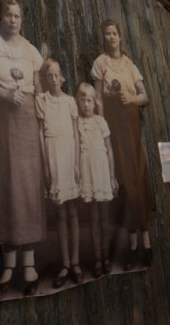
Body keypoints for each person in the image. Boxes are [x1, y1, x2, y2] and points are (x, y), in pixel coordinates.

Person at [0, 0, 46, 297]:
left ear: (22, 19)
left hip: (27, 120)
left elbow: (39, 87)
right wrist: (4, 95)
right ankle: (7, 265)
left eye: (18, 16)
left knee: (28, 186)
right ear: (1, 18)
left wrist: (43, 113)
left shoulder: (30, 50)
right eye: (8, 15)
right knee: (5, 186)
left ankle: (28, 265)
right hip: (1, 119)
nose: (13, 20)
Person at [91, 19, 154, 270]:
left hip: (130, 121)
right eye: (107, 33)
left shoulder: (129, 65)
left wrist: (131, 98)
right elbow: (96, 96)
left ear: (120, 37)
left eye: (115, 33)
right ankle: (131, 244)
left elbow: (145, 95)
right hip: (112, 122)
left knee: (138, 178)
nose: (111, 37)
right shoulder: (100, 63)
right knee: (124, 180)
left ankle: (145, 241)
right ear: (104, 38)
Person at [35, 58, 82, 288]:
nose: (54, 79)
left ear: (61, 76)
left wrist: (76, 164)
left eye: (56, 75)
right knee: (60, 212)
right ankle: (64, 263)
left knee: (73, 210)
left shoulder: (70, 102)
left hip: (68, 155)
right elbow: (42, 136)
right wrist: (45, 165)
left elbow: (75, 133)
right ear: (45, 79)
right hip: (53, 157)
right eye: (49, 76)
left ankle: (75, 262)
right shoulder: (41, 101)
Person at [74, 82, 118, 278]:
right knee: (93, 218)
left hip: (101, 170)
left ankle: (107, 256)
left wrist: (112, 176)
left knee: (104, 217)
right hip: (87, 170)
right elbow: (75, 149)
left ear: (94, 102)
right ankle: (97, 258)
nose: (86, 104)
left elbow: (109, 151)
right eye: (82, 100)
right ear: (78, 102)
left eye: (89, 100)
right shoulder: (77, 123)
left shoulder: (101, 121)